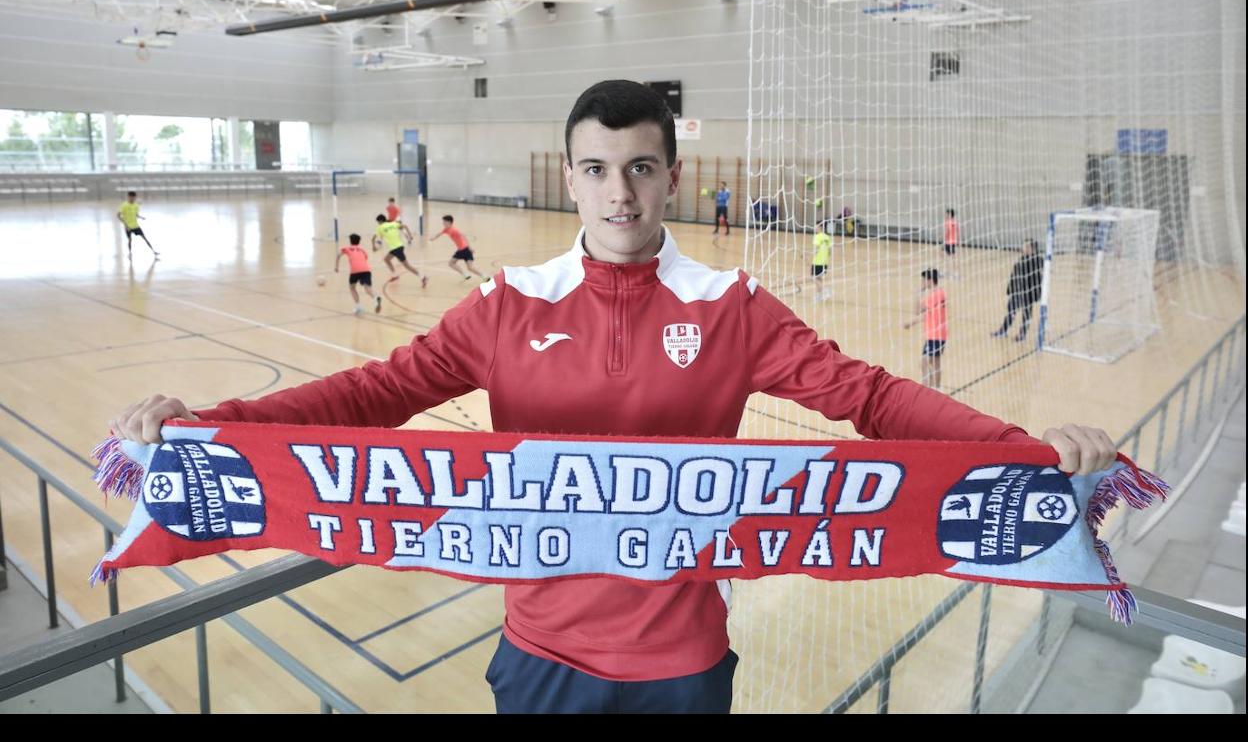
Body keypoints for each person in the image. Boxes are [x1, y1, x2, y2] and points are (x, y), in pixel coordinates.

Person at [108, 80, 1119, 714]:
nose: (619, 192)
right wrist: (217, 425)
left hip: (680, 661)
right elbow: (379, 391)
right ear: (574, 175)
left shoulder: (733, 306)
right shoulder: (509, 303)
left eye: (640, 167)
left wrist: (1023, 448)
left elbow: (869, 396)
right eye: (598, 169)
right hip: (537, 648)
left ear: (672, 176)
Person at [992, 239, 1044, 342]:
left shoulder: (1038, 261)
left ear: (1032, 249)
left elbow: (1039, 277)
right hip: (1017, 291)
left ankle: (1022, 334)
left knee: (1026, 314)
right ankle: (1003, 330)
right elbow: (1014, 275)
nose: (1023, 248)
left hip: (1028, 293)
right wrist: (1010, 288)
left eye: (1026, 247)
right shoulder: (1021, 260)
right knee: (1011, 311)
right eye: (1024, 246)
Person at [904, 268, 947, 389]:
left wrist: (909, 324)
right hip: (941, 335)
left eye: (923, 281)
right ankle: (937, 389)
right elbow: (922, 312)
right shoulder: (940, 293)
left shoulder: (933, 296)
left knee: (924, 362)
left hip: (934, 336)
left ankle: (927, 390)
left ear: (929, 281)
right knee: (935, 362)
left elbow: (918, 313)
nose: (922, 283)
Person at [373, 214, 428, 287]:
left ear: (380, 221)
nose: (378, 223)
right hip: (398, 247)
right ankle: (395, 275)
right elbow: (405, 226)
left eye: (378, 222)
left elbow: (378, 240)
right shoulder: (393, 223)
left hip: (396, 248)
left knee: (407, 266)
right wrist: (410, 235)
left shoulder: (380, 227)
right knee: (386, 259)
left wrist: (374, 245)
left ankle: (423, 277)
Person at [431, 215, 489, 282]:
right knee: (470, 267)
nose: (443, 223)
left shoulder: (454, 230)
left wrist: (470, 247)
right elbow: (440, 233)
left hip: (463, 249)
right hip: (465, 249)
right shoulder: (446, 229)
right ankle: (484, 276)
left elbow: (464, 237)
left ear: (449, 222)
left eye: (444, 222)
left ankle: (465, 274)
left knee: (451, 263)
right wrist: (433, 238)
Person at [335, 233, 382, 314]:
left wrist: (336, 267)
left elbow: (338, 255)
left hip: (355, 271)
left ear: (350, 241)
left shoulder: (347, 248)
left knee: (352, 288)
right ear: (359, 242)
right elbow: (365, 258)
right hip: (366, 270)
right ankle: (376, 297)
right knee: (368, 289)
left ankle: (359, 307)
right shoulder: (362, 250)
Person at [117, 190, 159, 260]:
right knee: (130, 240)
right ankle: (130, 253)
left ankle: (153, 251)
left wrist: (140, 217)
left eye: (133, 197)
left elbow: (135, 214)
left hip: (135, 226)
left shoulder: (136, 206)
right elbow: (118, 215)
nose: (132, 199)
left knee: (145, 238)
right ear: (128, 197)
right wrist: (125, 225)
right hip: (128, 227)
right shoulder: (124, 205)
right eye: (131, 197)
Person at [812, 222, 831, 301]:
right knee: (819, 278)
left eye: (816, 227)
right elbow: (830, 251)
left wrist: (811, 256)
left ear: (820, 227)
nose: (815, 228)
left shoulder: (817, 237)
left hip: (817, 261)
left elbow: (816, 249)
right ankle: (819, 296)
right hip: (825, 262)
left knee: (814, 278)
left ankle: (825, 290)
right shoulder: (827, 237)